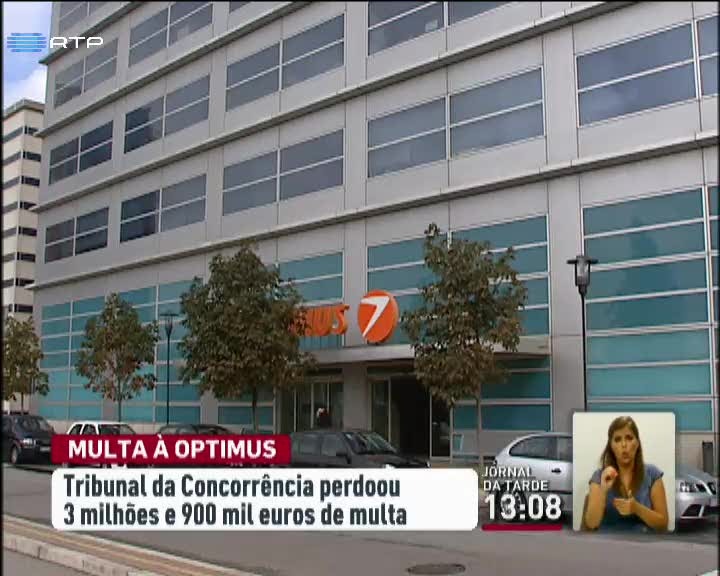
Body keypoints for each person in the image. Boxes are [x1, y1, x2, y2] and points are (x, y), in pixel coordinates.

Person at [582, 415, 668, 532]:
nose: (624, 445)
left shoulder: (652, 474)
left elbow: (663, 525)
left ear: (637, 443)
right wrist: (603, 491)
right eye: (617, 440)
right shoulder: (600, 476)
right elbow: (591, 524)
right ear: (611, 446)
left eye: (629, 438)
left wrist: (636, 508)